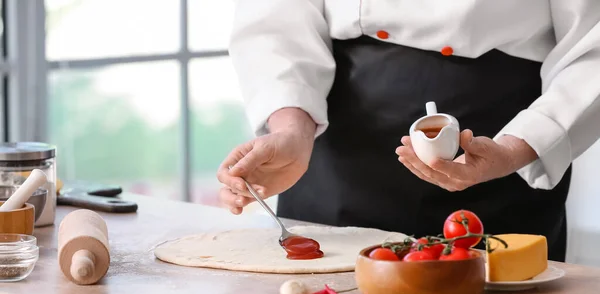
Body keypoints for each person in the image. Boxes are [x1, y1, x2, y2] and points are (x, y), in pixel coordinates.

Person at [217, 1, 600, 262]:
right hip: (335, 156)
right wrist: (291, 129)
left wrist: (517, 148)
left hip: (498, 150)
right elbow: (277, 17)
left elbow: (593, 47)